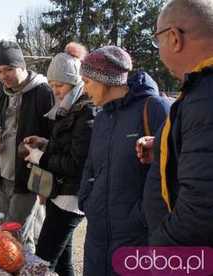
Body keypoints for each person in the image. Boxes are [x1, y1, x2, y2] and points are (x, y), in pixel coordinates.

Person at [77, 46, 170, 276]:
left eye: (87, 81)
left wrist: (143, 216)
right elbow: (91, 165)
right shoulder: (101, 117)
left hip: (136, 241)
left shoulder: (154, 108)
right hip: (97, 239)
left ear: (105, 80)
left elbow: (172, 171)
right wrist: (86, 201)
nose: (84, 89)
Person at [141, 0, 213, 246]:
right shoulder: (201, 90)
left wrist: (163, 255)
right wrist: (167, 149)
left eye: (157, 39)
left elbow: (201, 211)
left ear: (173, 37)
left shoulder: (206, 95)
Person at [22, 42, 92, 276]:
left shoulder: (86, 110)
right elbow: (66, 147)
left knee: (42, 262)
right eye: (52, 85)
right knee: (63, 262)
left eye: (60, 85)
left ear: (74, 82)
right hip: (59, 194)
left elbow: (76, 163)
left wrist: (39, 157)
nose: (56, 90)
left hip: (71, 198)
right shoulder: (67, 107)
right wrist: (45, 143)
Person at [0, 40, 53, 224]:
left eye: (8, 69)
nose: (3, 76)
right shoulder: (3, 97)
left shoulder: (43, 93)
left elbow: (53, 136)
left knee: (16, 236)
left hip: (28, 178)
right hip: (2, 175)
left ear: (22, 66)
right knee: (2, 234)